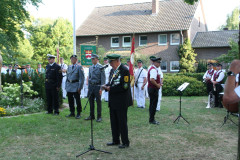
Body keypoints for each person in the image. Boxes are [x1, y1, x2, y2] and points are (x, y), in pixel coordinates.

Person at [101, 54, 132, 149]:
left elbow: (125, 86)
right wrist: (105, 86)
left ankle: (125, 142)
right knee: (113, 121)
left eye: (111, 62)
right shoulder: (112, 70)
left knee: (122, 122)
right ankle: (116, 140)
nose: (110, 64)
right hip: (113, 100)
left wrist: (110, 88)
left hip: (121, 101)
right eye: (109, 62)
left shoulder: (124, 70)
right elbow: (111, 83)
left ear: (117, 61)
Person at [85, 54, 105, 122]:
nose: (92, 60)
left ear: (97, 59)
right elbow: (89, 78)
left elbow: (103, 79)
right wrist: (88, 88)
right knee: (91, 101)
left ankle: (99, 116)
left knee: (98, 102)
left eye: (93, 59)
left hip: (98, 86)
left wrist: (101, 89)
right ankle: (91, 115)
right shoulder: (90, 68)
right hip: (91, 86)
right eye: (92, 59)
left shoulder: (101, 67)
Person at [65, 55, 84, 119]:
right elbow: (67, 77)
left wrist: (80, 87)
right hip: (69, 85)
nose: (72, 60)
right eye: (71, 59)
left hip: (76, 85)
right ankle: (72, 112)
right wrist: (66, 86)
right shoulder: (69, 67)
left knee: (77, 100)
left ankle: (78, 113)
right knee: (70, 100)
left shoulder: (79, 67)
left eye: (73, 59)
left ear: (76, 60)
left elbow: (81, 78)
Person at [147, 57, 161, 125]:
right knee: (153, 104)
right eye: (158, 62)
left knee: (152, 104)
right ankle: (152, 119)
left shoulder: (154, 69)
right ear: (154, 62)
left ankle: (151, 118)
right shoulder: (153, 70)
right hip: (153, 89)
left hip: (151, 88)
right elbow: (152, 79)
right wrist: (157, 85)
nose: (159, 64)